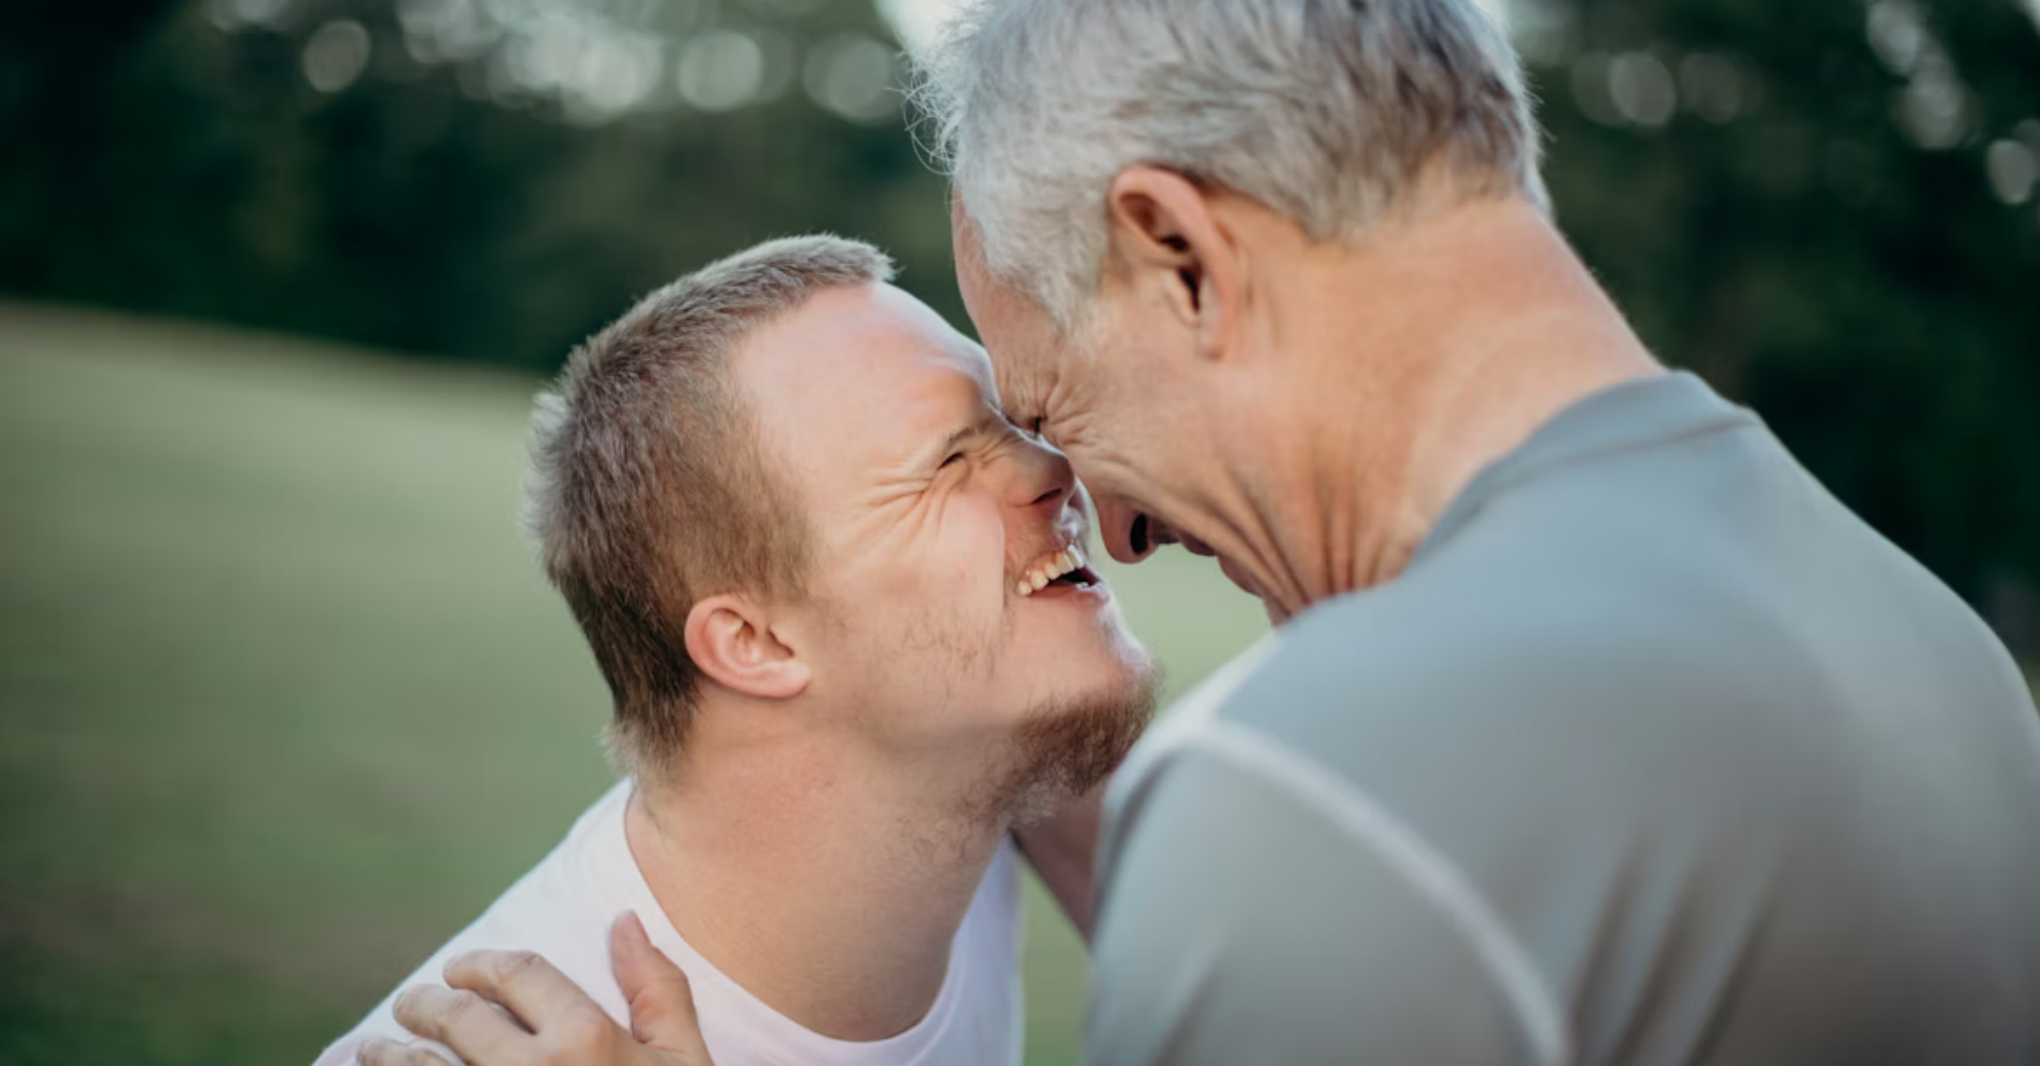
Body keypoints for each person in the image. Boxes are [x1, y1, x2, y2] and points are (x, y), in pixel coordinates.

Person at [372, 0, 2040, 1062]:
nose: (1100, 510)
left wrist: (1256, 839)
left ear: (1180, 256)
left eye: (1053, 398)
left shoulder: (1332, 799)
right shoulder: (1932, 651)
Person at [325, 235, 1157, 1066]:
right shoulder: (482, 1050)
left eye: (1014, 421)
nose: (1055, 466)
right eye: (947, 462)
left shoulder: (989, 768)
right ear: (754, 643)